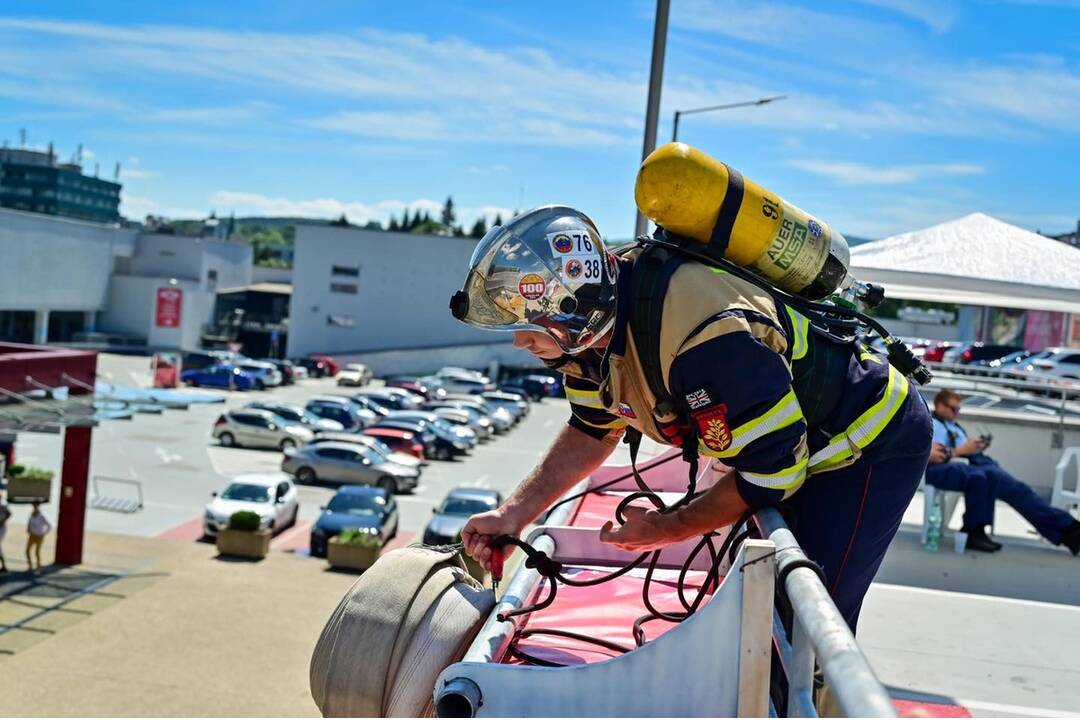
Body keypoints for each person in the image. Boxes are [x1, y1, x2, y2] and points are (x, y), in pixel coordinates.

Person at [451, 205, 932, 631]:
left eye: (527, 326)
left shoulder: (700, 337)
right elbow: (593, 429)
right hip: (793, 445)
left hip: (870, 440)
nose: (519, 343)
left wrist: (667, 527)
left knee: (804, 621)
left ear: (569, 307)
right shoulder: (588, 339)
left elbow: (774, 471)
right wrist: (511, 515)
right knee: (751, 607)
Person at [926, 389, 1080, 555]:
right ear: (940, 406)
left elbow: (958, 448)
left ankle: (1069, 531)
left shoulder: (952, 425)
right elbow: (935, 455)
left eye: (959, 409)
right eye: (954, 409)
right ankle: (974, 531)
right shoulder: (934, 425)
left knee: (1019, 490)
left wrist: (975, 446)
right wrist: (964, 449)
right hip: (948, 468)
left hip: (972, 464)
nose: (957, 413)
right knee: (987, 479)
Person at [26, 501, 50, 572]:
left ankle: (39, 566)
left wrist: (44, 533)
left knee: (37, 552)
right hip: (32, 535)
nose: (34, 507)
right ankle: (30, 566)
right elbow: (30, 522)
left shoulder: (42, 515)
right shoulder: (32, 514)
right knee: (27, 551)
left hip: (39, 536)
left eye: (36, 506)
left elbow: (49, 525)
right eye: (33, 506)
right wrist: (29, 528)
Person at [0, 490, 10, 572]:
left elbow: (9, 513)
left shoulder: (3, 505)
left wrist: (2, 521)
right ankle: (4, 566)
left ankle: (4, 566)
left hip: (1, 528)